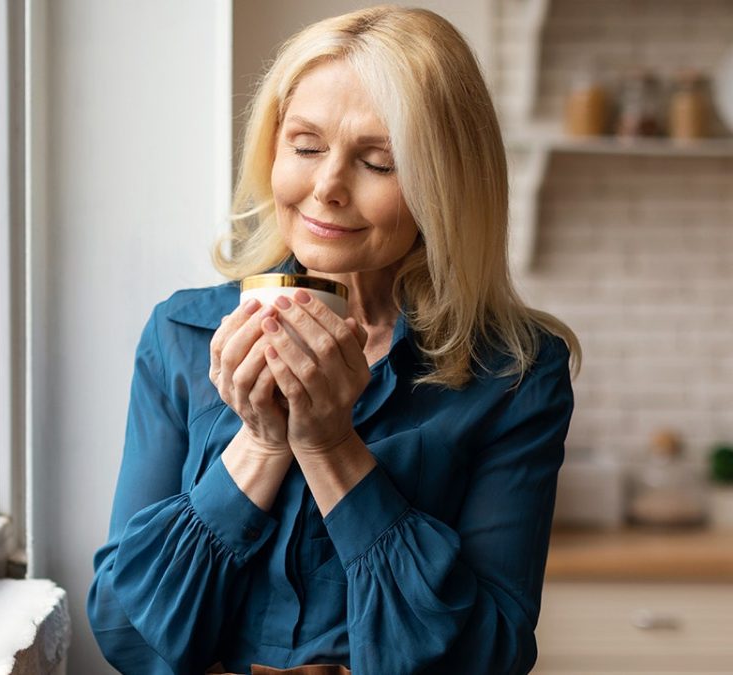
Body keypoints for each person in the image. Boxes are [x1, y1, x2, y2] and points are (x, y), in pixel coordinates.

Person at [87, 6, 580, 674]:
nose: (326, 188)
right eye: (306, 146)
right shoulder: (180, 336)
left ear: (446, 185)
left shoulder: (516, 372)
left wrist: (329, 447)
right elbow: (122, 630)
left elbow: (489, 654)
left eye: (379, 162)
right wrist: (261, 444)